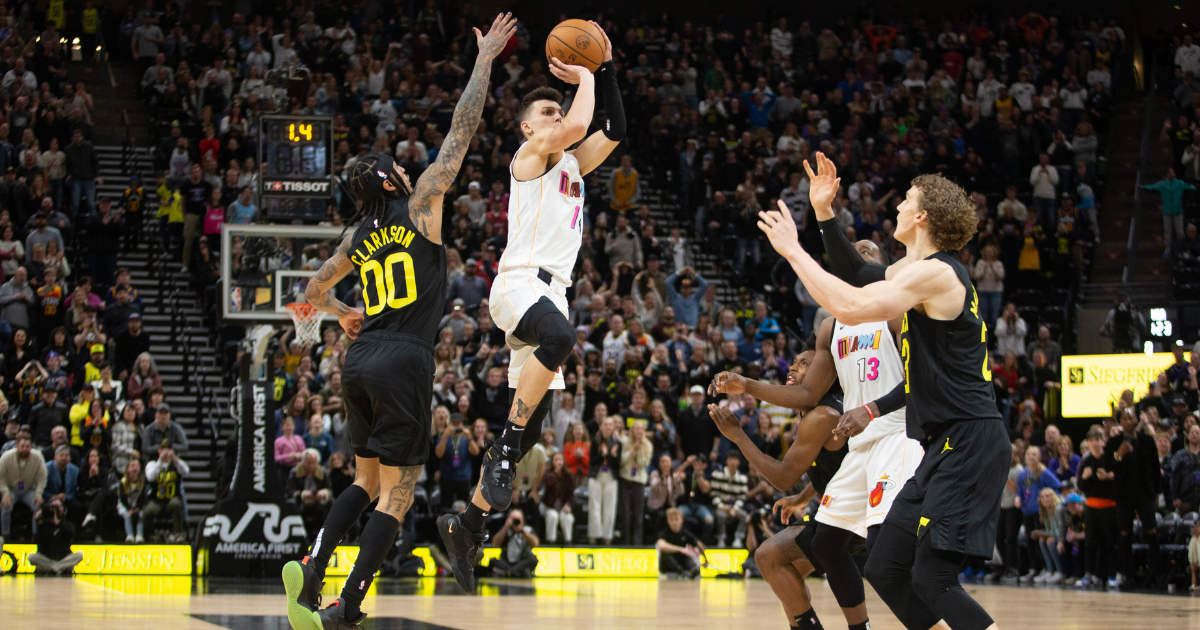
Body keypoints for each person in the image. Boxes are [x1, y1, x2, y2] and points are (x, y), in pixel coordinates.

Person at [282, 16, 517, 628]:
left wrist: (340, 316)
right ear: (392, 179)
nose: (410, 171)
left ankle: (313, 567)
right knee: (399, 489)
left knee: (363, 478)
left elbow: (307, 292)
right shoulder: (421, 206)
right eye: (399, 167)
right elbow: (460, 135)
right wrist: (484, 61)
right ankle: (349, 606)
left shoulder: (358, 235)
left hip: (357, 360)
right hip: (405, 355)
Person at [758, 152, 1008, 630]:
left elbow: (851, 306)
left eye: (905, 201)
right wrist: (825, 212)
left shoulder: (938, 274)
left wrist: (794, 251)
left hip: (969, 439)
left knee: (934, 579)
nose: (895, 208)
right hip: (940, 441)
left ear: (922, 216)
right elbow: (856, 274)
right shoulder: (911, 273)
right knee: (885, 567)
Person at [439, 21, 627, 594]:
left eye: (556, 113)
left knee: (536, 432)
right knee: (561, 340)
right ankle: (500, 451)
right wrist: (586, 75)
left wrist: (608, 69)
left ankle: (466, 524)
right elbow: (577, 123)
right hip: (519, 285)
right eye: (548, 112)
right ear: (528, 126)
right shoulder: (532, 154)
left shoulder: (571, 165)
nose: (558, 117)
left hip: (553, 291)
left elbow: (612, 128)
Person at [709, 348, 852, 629]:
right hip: (842, 506)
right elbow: (839, 466)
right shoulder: (816, 410)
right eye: (794, 362)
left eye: (804, 364)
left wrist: (737, 436)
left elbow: (783, 477)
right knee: (787, 573)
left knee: (768, 556)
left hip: (854, 515)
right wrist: (802, 497)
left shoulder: (823, 414)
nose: (793, 367)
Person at [1141, 167, 1195, 257]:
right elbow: (1152, 187)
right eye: (1170, 173)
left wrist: (1194, 187)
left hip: (1178, 212)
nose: (1171, 174)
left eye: (1173, 173)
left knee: (1180, 232)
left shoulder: (1179, 183)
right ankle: (1168, 250)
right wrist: (1142, 186)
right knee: (1167, 232)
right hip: (1166, 212)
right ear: (1167, 175)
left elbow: (1190, 187)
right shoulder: (1162, 184)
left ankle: (1184, 250)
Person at [0, 435, 46, 537]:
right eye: (22, 446)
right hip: (11, 489)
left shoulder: (38, 456)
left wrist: (38, 493)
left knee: (37, 506)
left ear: (31, 447)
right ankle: (5, 535)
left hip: (29, 489)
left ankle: (36, 535)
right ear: (17, 446)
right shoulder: (6, 457)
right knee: (6, 505)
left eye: (27, 446)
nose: (25, 449)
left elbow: (42, 477)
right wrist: (5, 492)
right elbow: (1, 477)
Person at [143, 442, 188, 543]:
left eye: (168, 449)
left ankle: (178, 534)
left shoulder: (176, 464)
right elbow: (150, 477)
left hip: (171, 499)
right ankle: (152, 534)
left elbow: (186, 471)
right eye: (163, 449)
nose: (166, 451)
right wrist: (160, 461)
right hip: (157, 500)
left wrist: (175, 459)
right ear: (159, 450)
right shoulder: (153, 463)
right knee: (147, 511)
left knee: (176, 504)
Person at [656, 507, 704, 577]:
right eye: (671, 519)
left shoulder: (685, 533)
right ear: (668, 521)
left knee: (688, 553)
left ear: (681, 520)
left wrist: (705, 559)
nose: (674, 522)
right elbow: (661, 546)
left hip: (683, 564)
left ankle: (694, 569)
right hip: (668, 569)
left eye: (676, 519)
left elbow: (699, 544)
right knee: (665, 553)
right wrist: (681, 550)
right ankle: (680, 571)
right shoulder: (664, 533)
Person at [491, 508, 539, 577]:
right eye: (513, 519)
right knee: (493, 560)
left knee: (534, 559)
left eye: (518, 520)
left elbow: (536, 543)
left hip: (522, 561)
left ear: (523, 520)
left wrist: (522, 531)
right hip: (507, 562)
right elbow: (495, 544)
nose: (516, 522)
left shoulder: (527, 530)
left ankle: (507, 573)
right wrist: (505, 527)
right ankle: (519, 573)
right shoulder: (505, 530)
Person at [540, 452, 575, 544]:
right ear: (552, 462)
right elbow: (548, 485)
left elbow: (571, 495)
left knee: (568, 517)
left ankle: (568, 541)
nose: (558, 462)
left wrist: (567, 504)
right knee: (553, 516)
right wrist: (555, 473)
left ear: (564, 462)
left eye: (560, 460)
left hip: (562, 506)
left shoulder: (569, 476)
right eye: (556, 460)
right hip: (548, 506)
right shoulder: (548, 474)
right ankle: (551, 541)